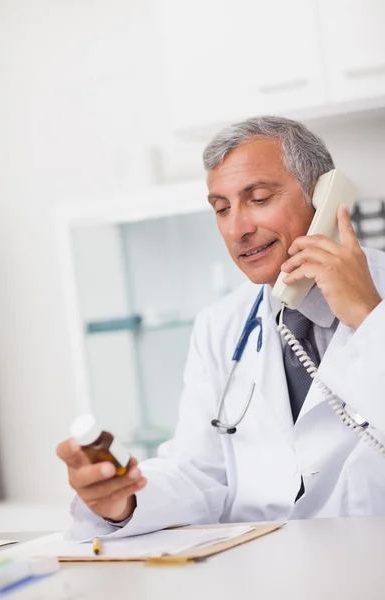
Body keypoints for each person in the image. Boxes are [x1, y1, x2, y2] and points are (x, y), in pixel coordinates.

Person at [57, 116, 385, 540]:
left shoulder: (375, 301)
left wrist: (369, 317)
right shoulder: (221, 326)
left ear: (324, 195)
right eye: (222, 208)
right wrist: (122, 501)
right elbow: (199, 472)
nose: (237, 229)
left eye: (259, 198)